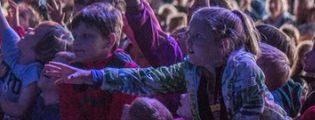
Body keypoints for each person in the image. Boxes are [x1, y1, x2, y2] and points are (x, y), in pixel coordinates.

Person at [48, 7, 289, 119]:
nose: (187, 39)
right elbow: (146, 79)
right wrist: (91, 77)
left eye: (197, 36)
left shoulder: (243, 68)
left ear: (223, 44)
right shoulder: (193, 68)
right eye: (189, 33)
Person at [57, 3, 138, 120]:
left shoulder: (126, 72)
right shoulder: (70, 73)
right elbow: (69, 114)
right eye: (75, 36)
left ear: (109, 41)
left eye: (86, 36)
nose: (76, 42)